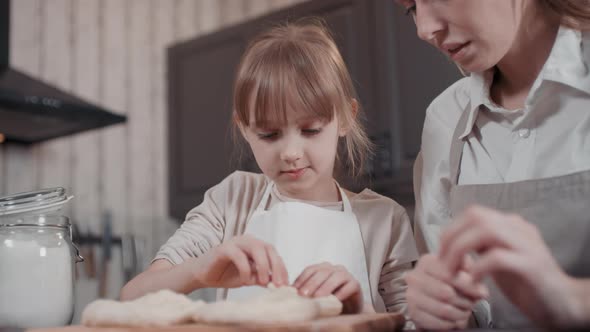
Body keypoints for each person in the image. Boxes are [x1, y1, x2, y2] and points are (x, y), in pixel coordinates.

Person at [120, 19, 418, 315]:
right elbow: (131, 297)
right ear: (245, 128)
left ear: (345, 118)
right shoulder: (232, 200)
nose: (290, 153)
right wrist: (200, 271)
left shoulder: (384, 220)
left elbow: (413, 325)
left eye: (311, 130)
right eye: (269, 134)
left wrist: (361, 311)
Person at [395, 0, 590, 329]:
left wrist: (571, 298)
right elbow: (468, 299)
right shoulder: (444, 121)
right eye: (412, 7)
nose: (424, 29)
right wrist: (447, 310)